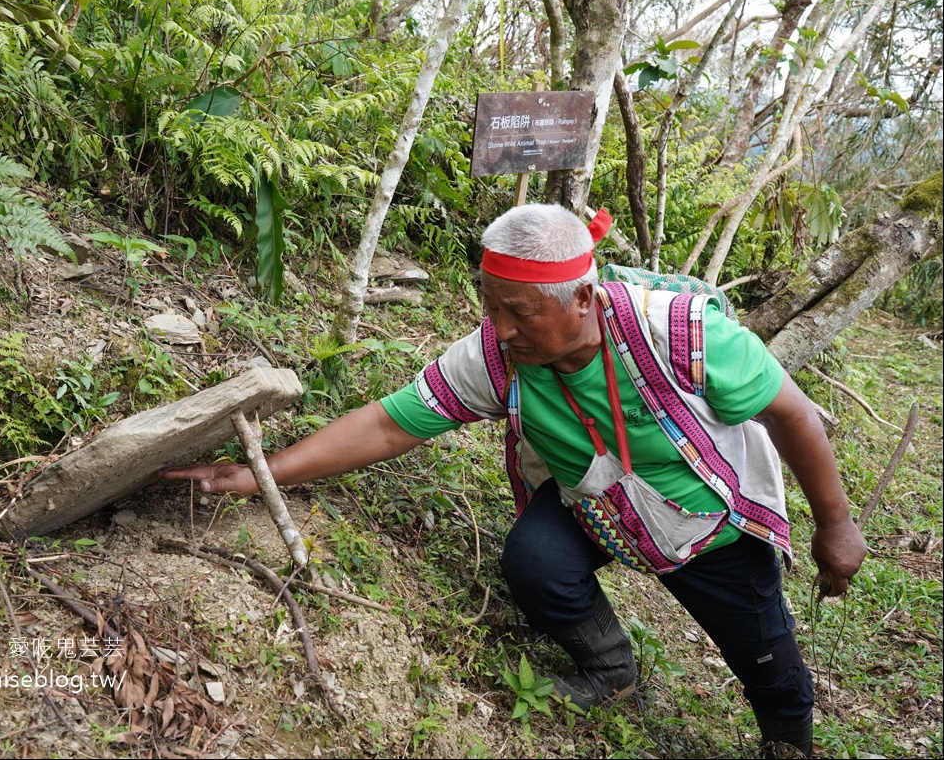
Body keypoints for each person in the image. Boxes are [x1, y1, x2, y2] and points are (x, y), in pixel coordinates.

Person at [158, 203, 867, 758]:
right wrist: (260, 473)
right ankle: (609, 665)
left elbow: (794, 415)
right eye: (489, 306)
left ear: (584, 298)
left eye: (518, 311)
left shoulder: (683, 334)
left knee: (767, 661)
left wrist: (834, 525)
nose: (498, 329)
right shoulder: (498, 355)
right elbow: (389, 424)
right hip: (597, 507)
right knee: (535, 561)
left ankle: (788, 748)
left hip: (706, 526)